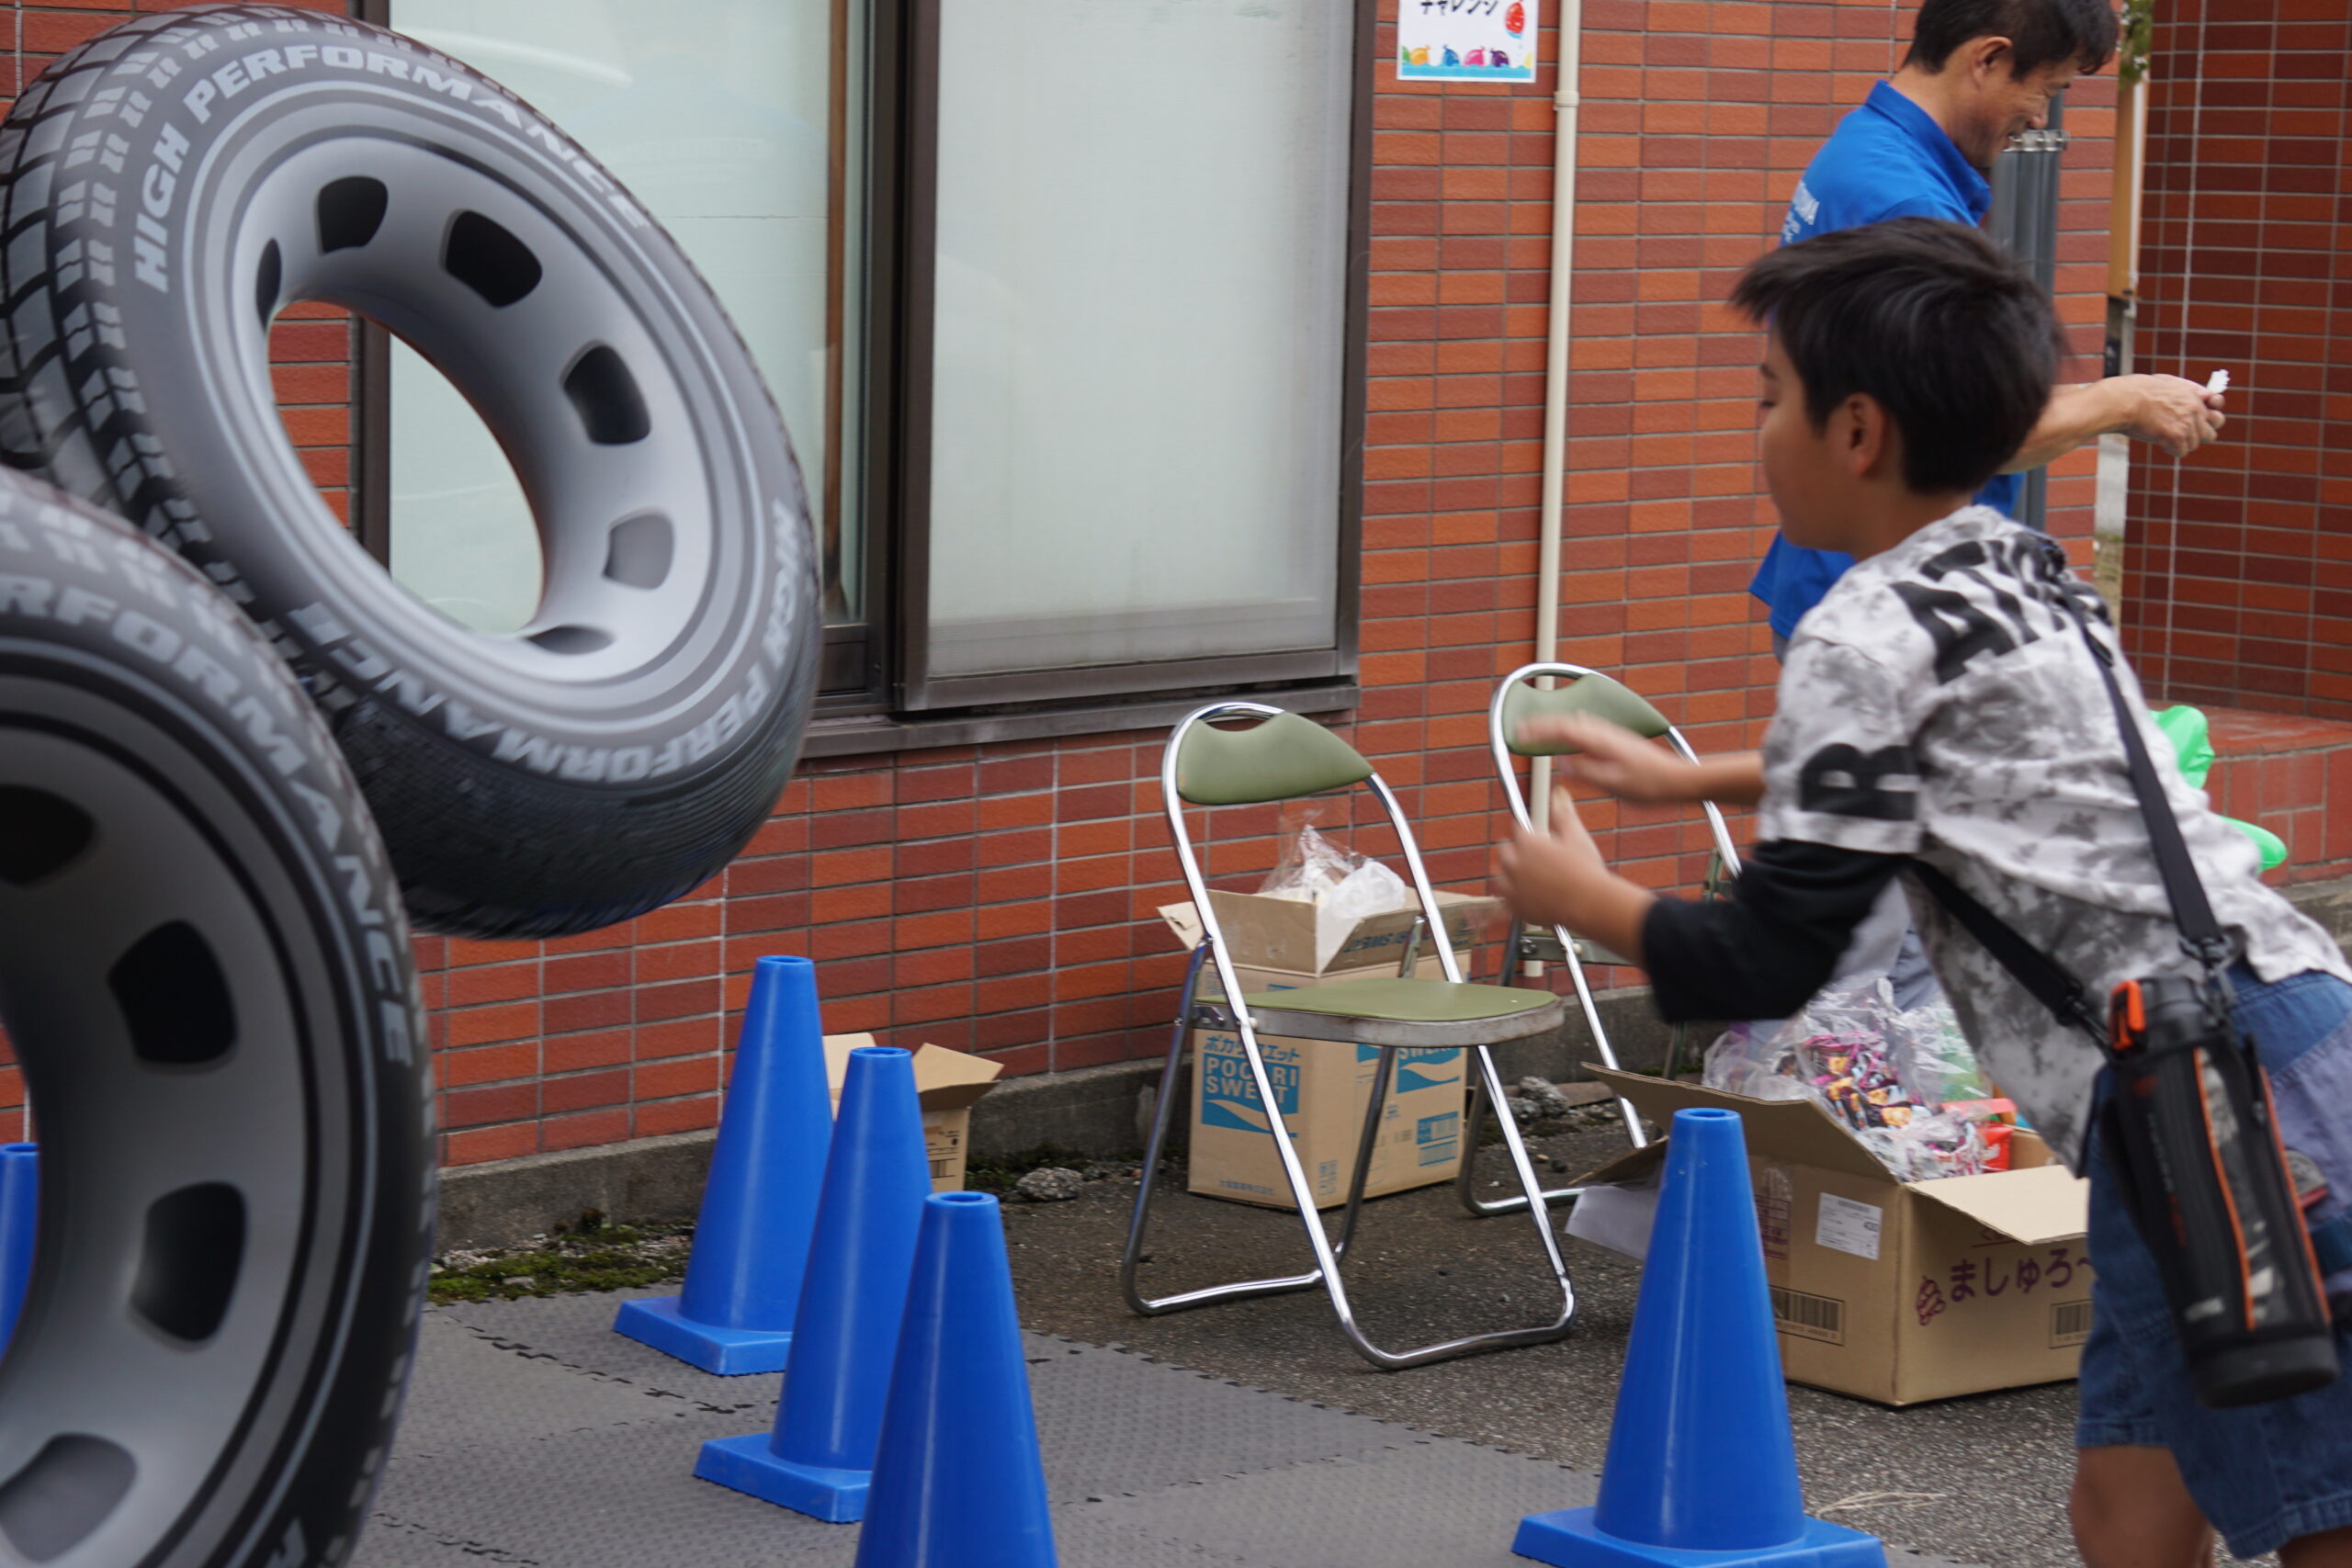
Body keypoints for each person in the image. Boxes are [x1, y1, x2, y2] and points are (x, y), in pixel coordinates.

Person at [1494, 219, 2352, 1568]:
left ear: (1855, 430)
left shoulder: (1854, 632)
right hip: (2274, 1036)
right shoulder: (2023, 564)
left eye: (1767, 398)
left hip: (2210, 1110)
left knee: (2322, 1512)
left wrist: (1584, 893)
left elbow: (1767, 961)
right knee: (2128, 1508)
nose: (1756, 431)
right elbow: (1947, 756)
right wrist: (1684, 777)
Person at [1753, 0, 2224, 648]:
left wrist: (2122, 396)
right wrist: (2123, 398)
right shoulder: (1909, 205)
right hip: (1893, 612)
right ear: (1988, 58)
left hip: (1862, 586)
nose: (2039, 117)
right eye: (2047, 90)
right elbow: (1951, 436)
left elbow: (1943, 400)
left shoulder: (1864, 152)